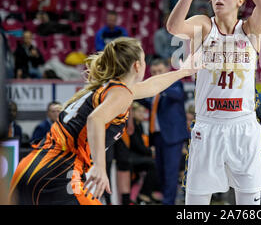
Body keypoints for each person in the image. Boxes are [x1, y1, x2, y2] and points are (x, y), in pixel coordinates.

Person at [8, 37, 199, 205]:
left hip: (28, 169)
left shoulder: (111, 88)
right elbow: (95, 119)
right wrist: (100, 167)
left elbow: (150, 86)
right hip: (57, 174)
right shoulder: (120, 92)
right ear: (137, 66)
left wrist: (183, 72)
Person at [166, 0, 261, 205]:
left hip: (243, 127)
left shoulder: (249, 30)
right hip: (207, 126)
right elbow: (174, 27)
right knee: (195, 204)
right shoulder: (203, 25)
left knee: (249, 203)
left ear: (239, 1)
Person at [138, 58, 189, 205]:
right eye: (153, 72)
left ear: (167, 70)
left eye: (160, 71)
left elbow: (178, 95)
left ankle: (169, 202)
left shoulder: (175, 83)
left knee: (170, 173)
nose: (156, 74)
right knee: (160, 173)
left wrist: (160, 83)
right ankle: (168, 200)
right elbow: (148, 103)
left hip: (172, 137)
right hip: (157, 136)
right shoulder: (155, 89)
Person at [128, 102, 162, 205]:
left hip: (138, 155)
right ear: (132, 112)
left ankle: (151, 193)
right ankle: (144, 194)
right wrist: (150, 151)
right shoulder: (131, 124)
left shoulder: (140, 125)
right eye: (140, 112)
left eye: (144, 112)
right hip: (130, 156)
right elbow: (136, 145)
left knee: (157, 162)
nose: (143, 114)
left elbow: (141, 145)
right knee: (153, 163)